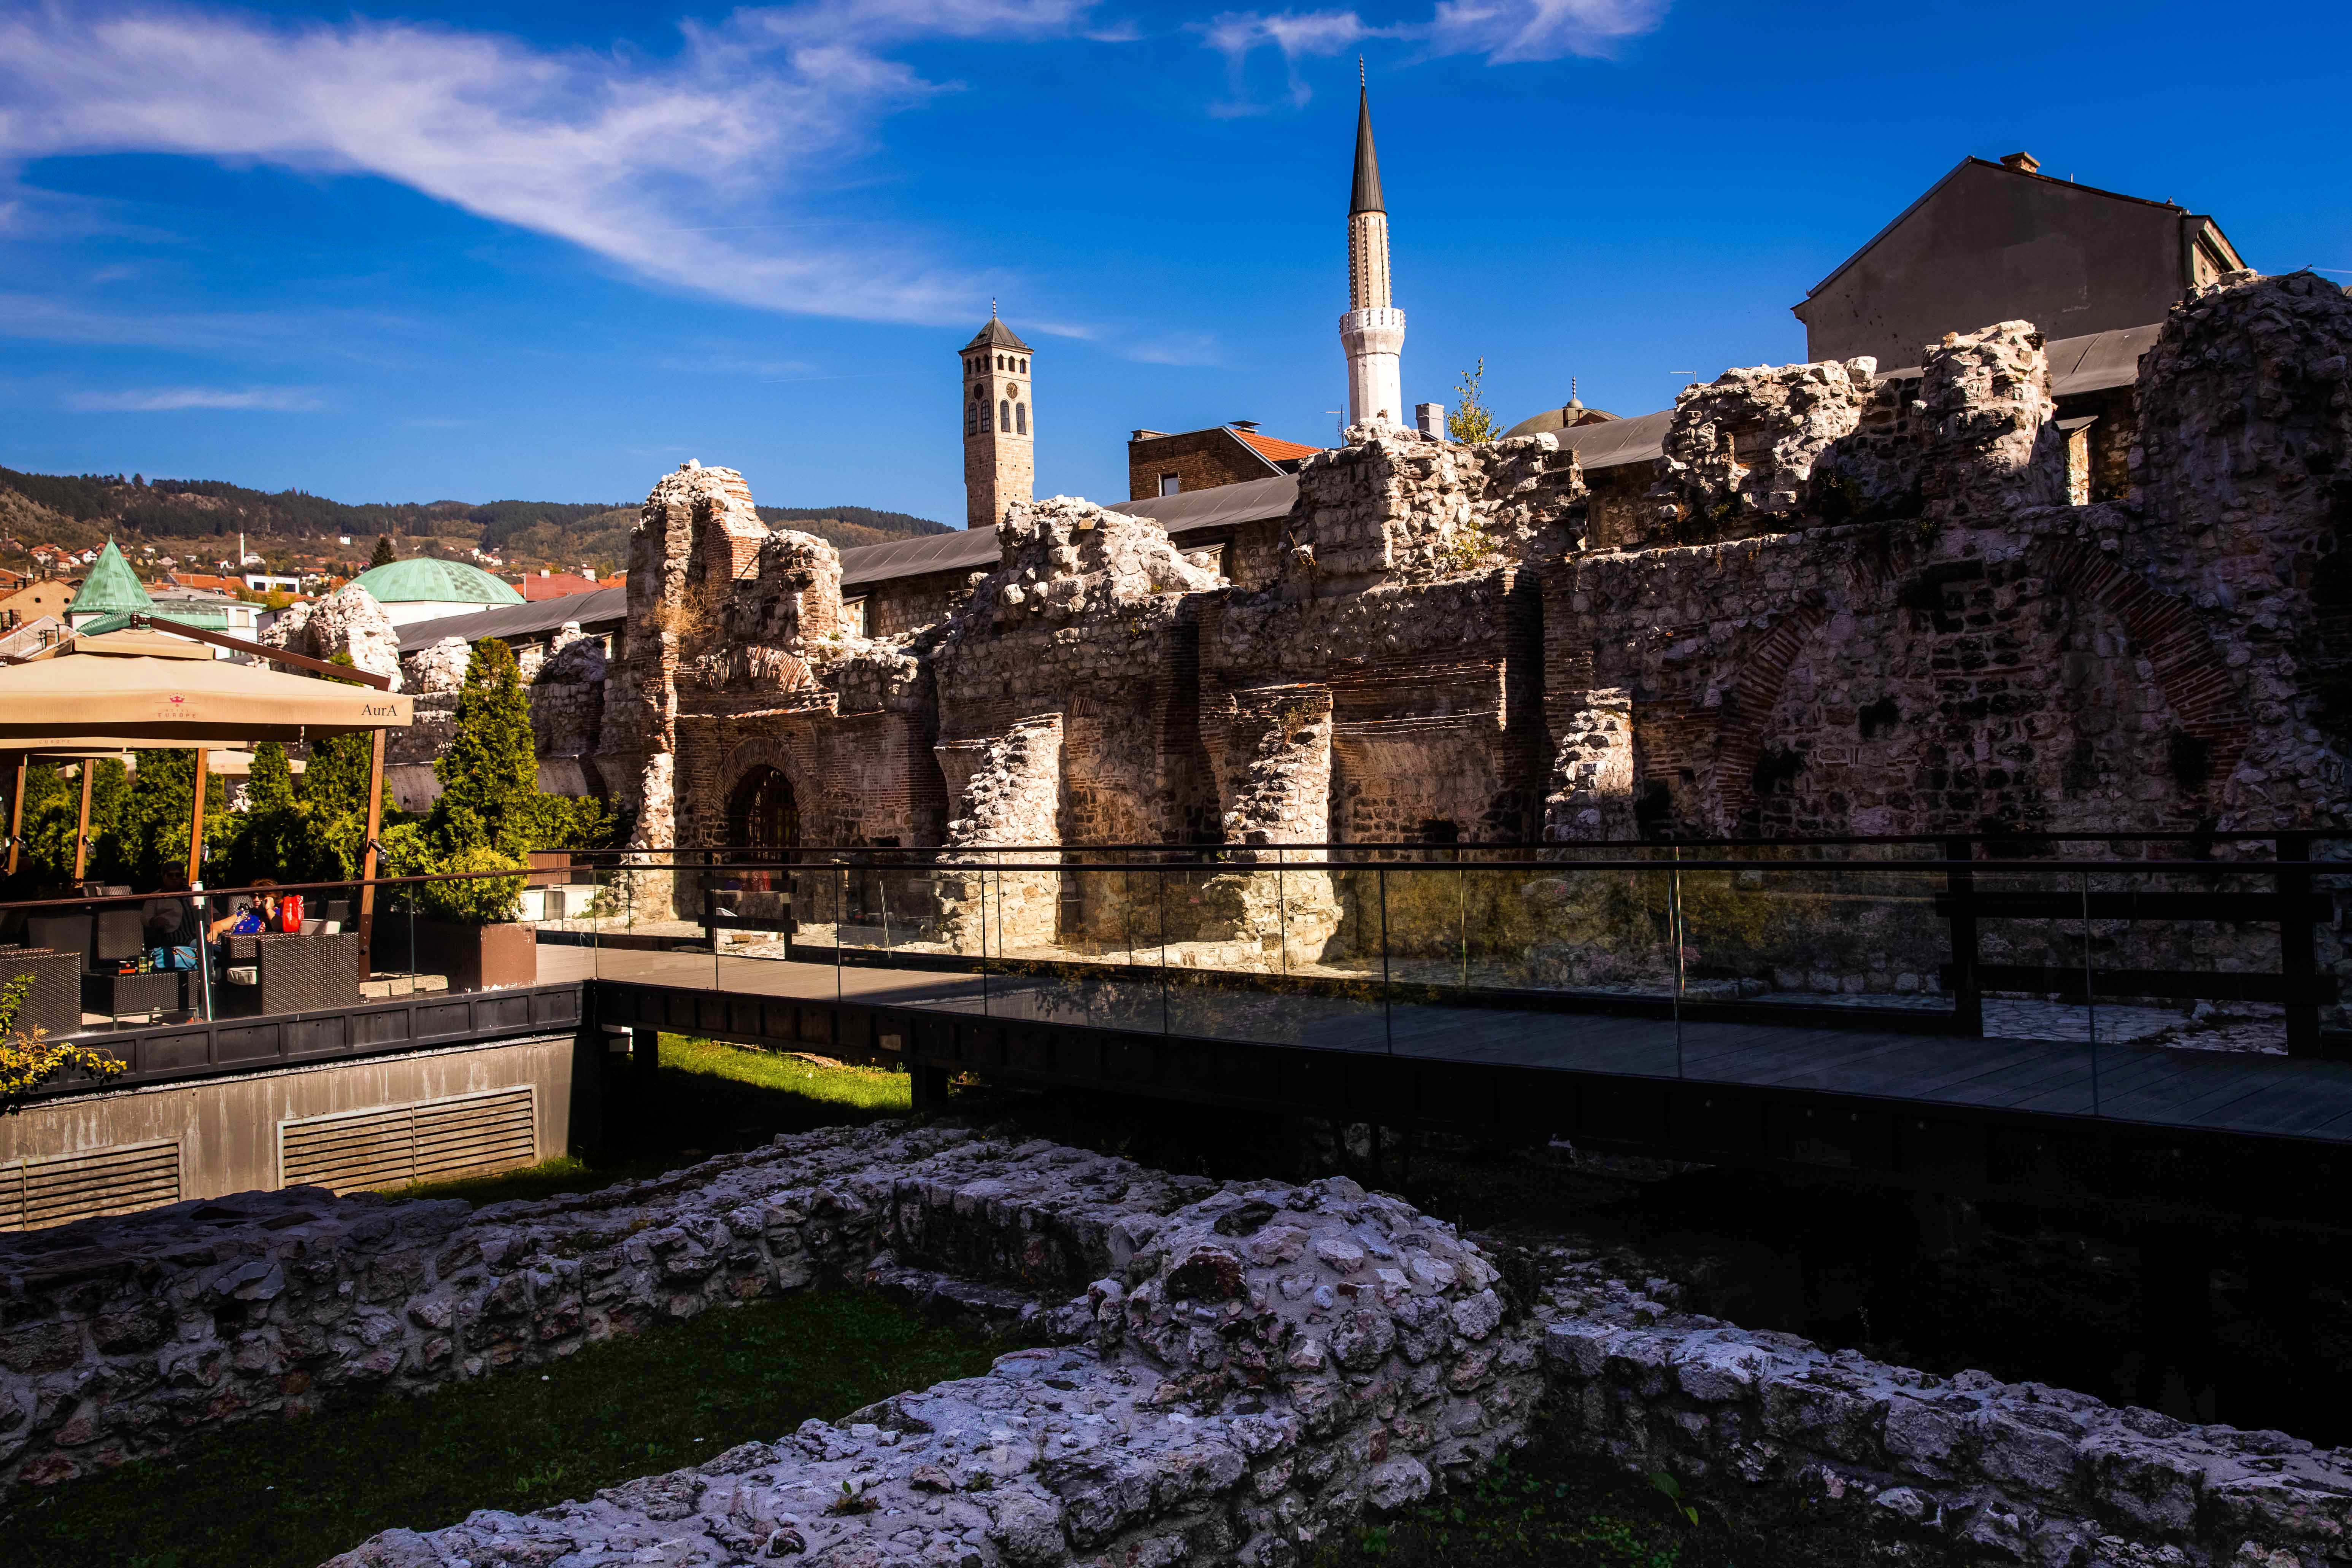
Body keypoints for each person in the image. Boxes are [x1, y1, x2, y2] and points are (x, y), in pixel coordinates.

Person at [208, 879, 280, 941]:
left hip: (255, 952)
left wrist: (269, 909)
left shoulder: (278, 913)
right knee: (199, 944)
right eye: (254, 896)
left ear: (272, 897)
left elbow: (279, 929)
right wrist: (214, 932)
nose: (256, 900)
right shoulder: (246, 914)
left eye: (262, 896)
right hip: (231, 948)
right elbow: (219, 924)